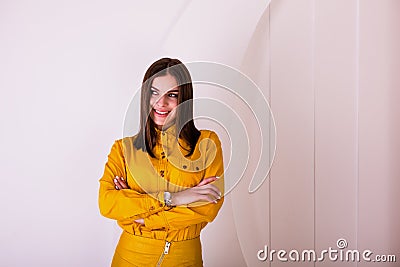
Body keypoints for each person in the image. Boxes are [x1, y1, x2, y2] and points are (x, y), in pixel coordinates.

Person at [98, 58, 224, 266]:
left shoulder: (207, 144)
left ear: (185, 99)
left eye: (172, 95)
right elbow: (107, 203)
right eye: (154, 92)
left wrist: (142, 216)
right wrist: (174, 198)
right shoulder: (123, 149)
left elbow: (207, 207)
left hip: (184, 259)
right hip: (130, 256)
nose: (161, 103)